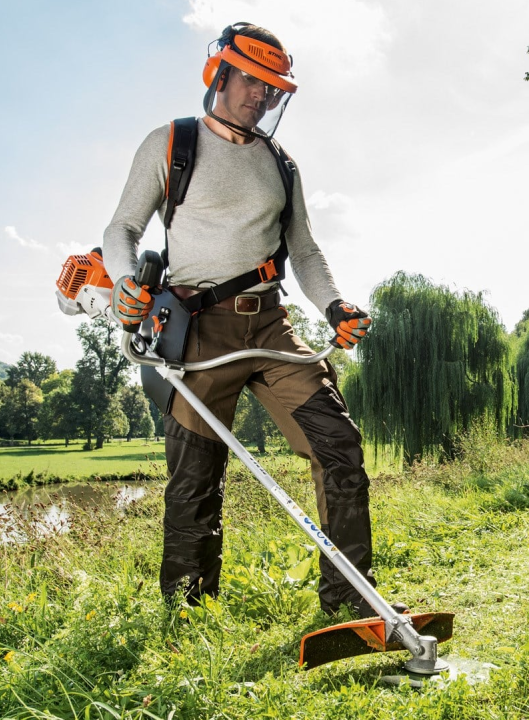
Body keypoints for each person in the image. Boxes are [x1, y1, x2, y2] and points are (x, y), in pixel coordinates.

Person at [101, 22, 390, 619]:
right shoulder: (172, 143)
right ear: (221, 74)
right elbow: (121, 229)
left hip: (271, 327)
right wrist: (128, 281)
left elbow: (305, 251)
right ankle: (187, 615)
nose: (262, 96)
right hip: (198, 330)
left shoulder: (281, 164)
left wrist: (334, 305)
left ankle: (350, 603)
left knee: (339, 447)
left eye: (273, 88)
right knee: (194, 479)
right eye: (254, 82)